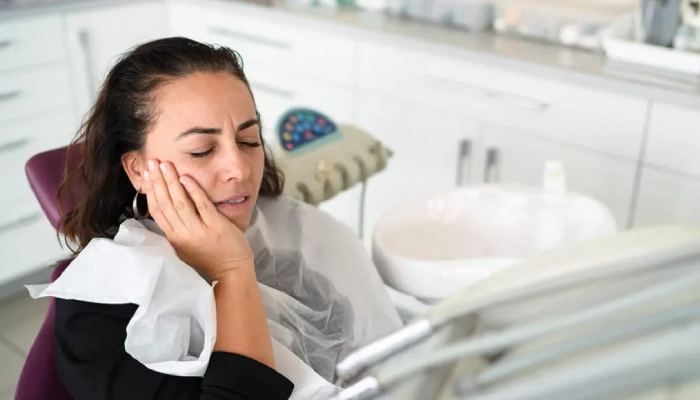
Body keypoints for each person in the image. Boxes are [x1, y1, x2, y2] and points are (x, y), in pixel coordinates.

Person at [51, 37, 400, 400]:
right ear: (138, 169)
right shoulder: (98, 309)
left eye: (249, 139)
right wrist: (233, 272)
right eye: (202, 151)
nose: (239, 168)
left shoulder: (298, 240)